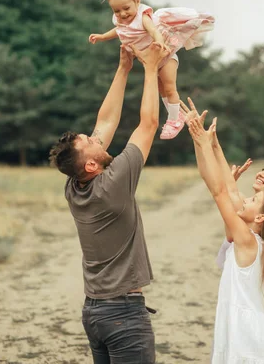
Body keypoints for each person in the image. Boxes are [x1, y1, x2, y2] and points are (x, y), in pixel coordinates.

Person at [49, 42, 169, 363]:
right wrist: (150, 66)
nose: (95, 137)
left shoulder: (75, 186)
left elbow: (105, 122)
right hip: (124, 317)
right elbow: (148, 125)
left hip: (95, 313)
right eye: (90, 142)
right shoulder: (113, 184)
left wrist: (123, 67)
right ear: (90, 165)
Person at [181, 98, 264, 364]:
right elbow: (226, 187)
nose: (260, 175)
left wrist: (204, 142)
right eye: (263, 168)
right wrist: (207, 142)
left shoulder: (253, 235)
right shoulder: (256, 224)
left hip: (253, 332)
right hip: (243, 326)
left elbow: (221, 190)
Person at [89, 0, 215, 140]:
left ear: (137, 2)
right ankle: (176, 114)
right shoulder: (122, 21)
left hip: (166, 56)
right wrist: (102, 36)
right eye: (117, 11)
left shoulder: (143, 17)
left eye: (126, 8)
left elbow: (154, 31)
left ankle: (174, 120)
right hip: (152, 62)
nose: (122, 14)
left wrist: (160, 43)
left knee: (170, 88)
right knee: (162, 89)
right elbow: (117, 30)